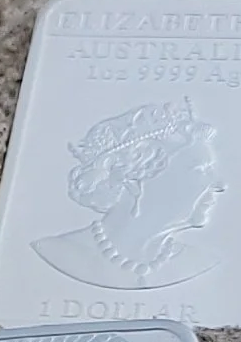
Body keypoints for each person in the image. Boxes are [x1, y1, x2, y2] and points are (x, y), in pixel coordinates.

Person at [33, 97, 223, 293]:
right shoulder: (60, 252)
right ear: (135, 182)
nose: (220, 185)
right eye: (201, 170)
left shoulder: (198, 261)